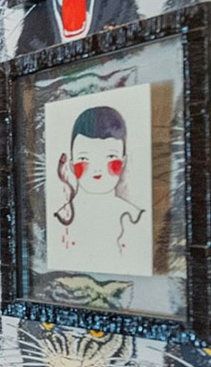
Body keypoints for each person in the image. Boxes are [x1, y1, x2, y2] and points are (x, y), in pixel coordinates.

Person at [52, 103, 147, 269]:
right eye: (84, 159)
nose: (97, 169)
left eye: (110, 156)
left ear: (123, 161)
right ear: (72, 164)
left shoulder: (134, 217)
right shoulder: (60, 218)